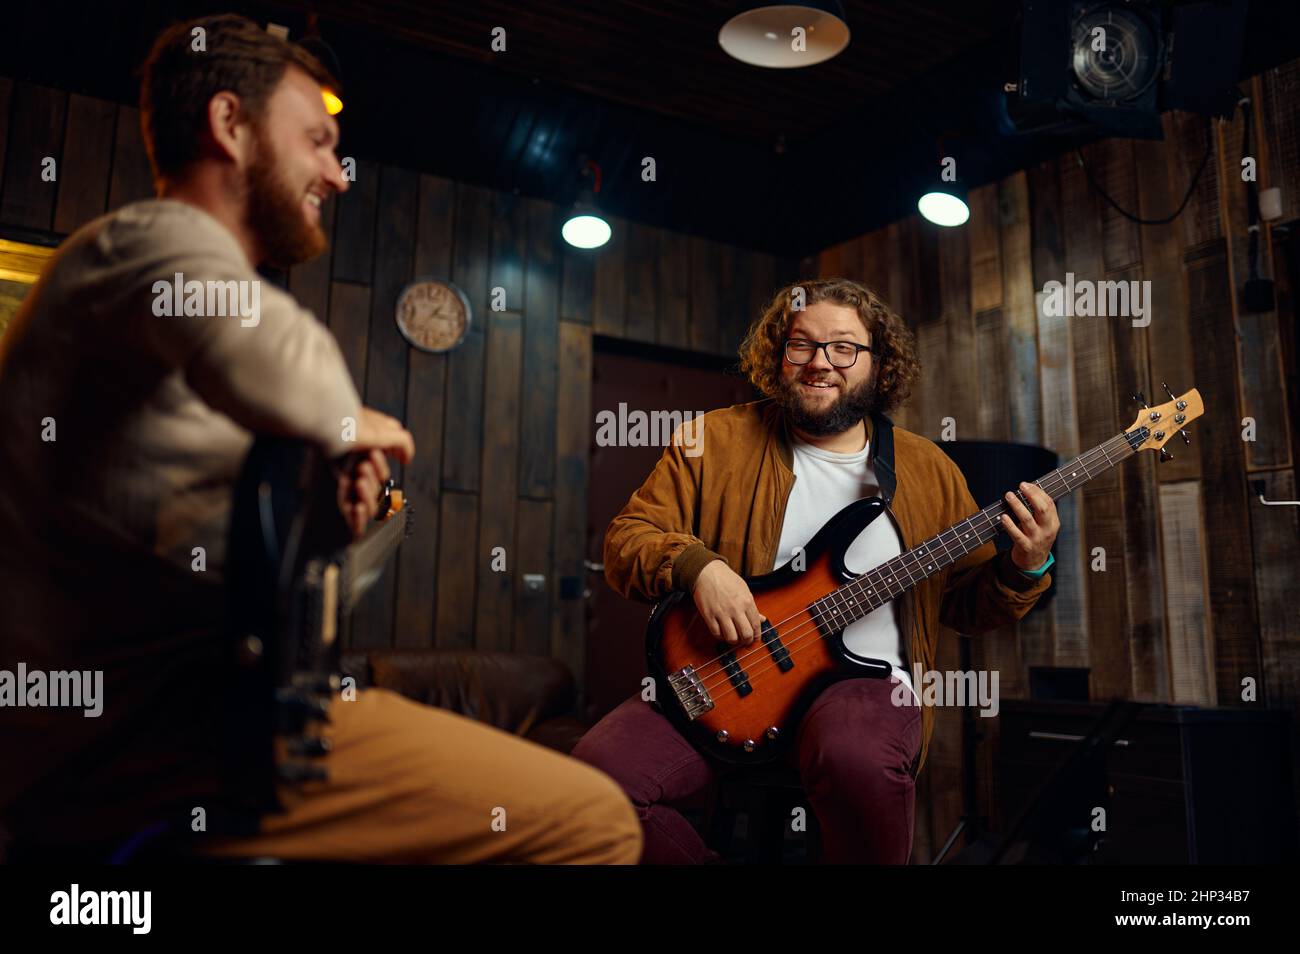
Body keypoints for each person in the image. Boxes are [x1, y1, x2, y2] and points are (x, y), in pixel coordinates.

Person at [0, 14, 639, 864]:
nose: (338, 175)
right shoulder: (148, 242)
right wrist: (348, 426)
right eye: (317, 142)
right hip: (154, 747)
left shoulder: (157, 342)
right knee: (594, 824)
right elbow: (281, 359)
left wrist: (336, 507)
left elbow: (272, 569)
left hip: (157, 734)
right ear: (229, 125)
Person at [573, 277, 1059, 863]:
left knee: (855, 758)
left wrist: (1027, 567)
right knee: (593, 786)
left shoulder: (928, 469)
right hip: (730, 674)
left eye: (844, 348)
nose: (819, 363)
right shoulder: (713, 440)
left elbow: (965, 604)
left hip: (865, 686)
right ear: (779, 354)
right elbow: (628, 539)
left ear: (879, 366)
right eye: (801, 345)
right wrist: (699, 568)